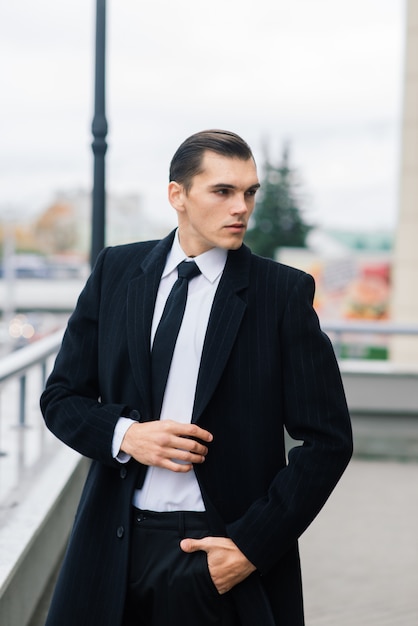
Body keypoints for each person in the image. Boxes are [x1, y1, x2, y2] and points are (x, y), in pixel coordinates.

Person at [40, 129, 353, 626]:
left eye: (250, 192)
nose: (241, 208)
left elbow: (329, 441)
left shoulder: (282, 293)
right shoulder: (115, 271)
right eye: (223, 191)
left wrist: (251, 546)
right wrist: (127, 435)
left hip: (220, 555)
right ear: (177, 195)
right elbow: (60, 398)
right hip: (113, 548)